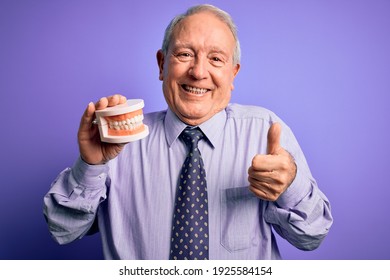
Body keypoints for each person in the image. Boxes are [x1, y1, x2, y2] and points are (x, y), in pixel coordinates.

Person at [43, 4, 333, 260]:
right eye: (184, 54)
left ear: (233, 74)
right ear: (161, 64)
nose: (198, 72)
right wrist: (91, 165)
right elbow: (63, 231)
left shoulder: (265, 132)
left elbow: (311, 236)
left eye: (216, 59)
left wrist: (290, 185)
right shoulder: (118, 141)